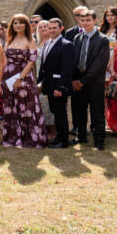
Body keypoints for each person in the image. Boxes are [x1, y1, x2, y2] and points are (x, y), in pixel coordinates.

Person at [0, 14, 46, 148]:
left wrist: (20, 78)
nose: (18, 25)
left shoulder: (29, 40)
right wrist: (3, 79)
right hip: (8, 77)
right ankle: (12, 138)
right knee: (10, 107)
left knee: (25, 107)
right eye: (15, 23)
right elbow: (5, 61)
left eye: (21, 23)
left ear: (26, 25)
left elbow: (31, 62)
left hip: (23, 77)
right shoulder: (8, 40)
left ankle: (28, 139)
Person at [70, 9, 111, 150]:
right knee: (79, 111)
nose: (85, 22)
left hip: (94, 82)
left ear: (95, 21)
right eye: (82, 20)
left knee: (97, 112)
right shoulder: (77, 38)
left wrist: (83, 81)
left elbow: (99, 64)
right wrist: (74, 79)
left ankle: (99, 141)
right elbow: (75, 60)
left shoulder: (103, 39)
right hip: (78, 82)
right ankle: (81, 137)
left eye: (88, 20)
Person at [38, 18, 75, 148]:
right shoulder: (47, 43)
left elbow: (67, 69)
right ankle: (59, 136)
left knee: (60, 113)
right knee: (55, 112)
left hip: (59, 86)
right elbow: (44, 65)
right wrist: (40, 82)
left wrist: (60, 87)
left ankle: (64, 141)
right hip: (48, 85)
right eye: (50, 28)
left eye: (54, 28)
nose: (52, 30)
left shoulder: (66, 44)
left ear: (61, 29)